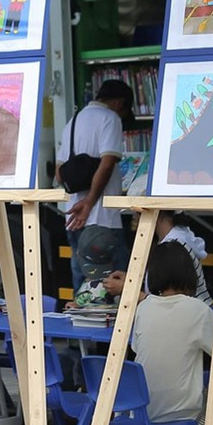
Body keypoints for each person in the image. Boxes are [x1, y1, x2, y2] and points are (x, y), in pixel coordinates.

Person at [129, 241, 213, 425]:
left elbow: (137, 348)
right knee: (211, 406)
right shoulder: (197, 310)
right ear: (189, 273)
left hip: (142, 408)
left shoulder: (143, 307)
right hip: (181, 412)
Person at [58, 78, 134, 305]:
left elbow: (59, 170)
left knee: (82, 285)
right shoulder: (110, 119)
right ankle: (113, 339)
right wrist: (90, 202)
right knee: (115, 285)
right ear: (119, 103)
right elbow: (108, 162)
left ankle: (80, 339)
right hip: (103, 219)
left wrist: (77, 196)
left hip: (72, 217)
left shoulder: (72, 122)